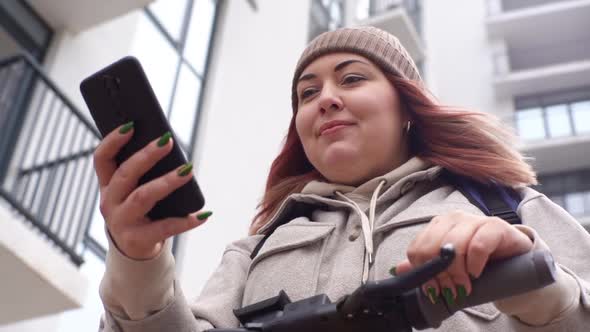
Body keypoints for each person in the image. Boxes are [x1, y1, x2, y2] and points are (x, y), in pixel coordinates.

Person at [95, 26, 590, 331]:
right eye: (307, 94)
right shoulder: (254, 249)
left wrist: (532, 283)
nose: (325, 98)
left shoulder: (508, 207)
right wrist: (138, 263)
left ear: (407, 108)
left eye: (352, 79)